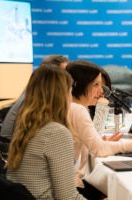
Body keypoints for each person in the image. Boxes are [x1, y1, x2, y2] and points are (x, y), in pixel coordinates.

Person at [65, 60, 132, 195]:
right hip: (71, 187)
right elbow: (99, 149)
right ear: (79, 85)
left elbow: (92, 143)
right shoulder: (77, 110)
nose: (101, 91)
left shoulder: (70, 107)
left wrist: (102, 141)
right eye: (96, 85)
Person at [6, 64, 86, 199]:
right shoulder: (56, 133)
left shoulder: (25, 125)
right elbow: (67, 197)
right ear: (61, 95)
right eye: (69, 91)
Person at [0, 55, 69, 139]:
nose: (67, 77)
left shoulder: (34, 90)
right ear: (50, 74)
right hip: (10, 145)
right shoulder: (37, 96)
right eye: (64, 72)